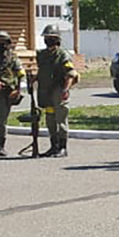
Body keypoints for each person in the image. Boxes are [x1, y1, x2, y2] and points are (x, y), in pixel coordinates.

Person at [36, 25, 78, 158]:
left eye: (52, 38)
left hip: (59, 90)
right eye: (47, 38)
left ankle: (62, 147)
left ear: (58, 40)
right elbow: (42, 71)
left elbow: (70, 74)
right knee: (50, 119)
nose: (48, 40)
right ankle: (53, 146)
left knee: (61, 119)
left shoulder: (63, 55)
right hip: (45, 91)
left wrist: (65, 90)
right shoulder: (42, 55)